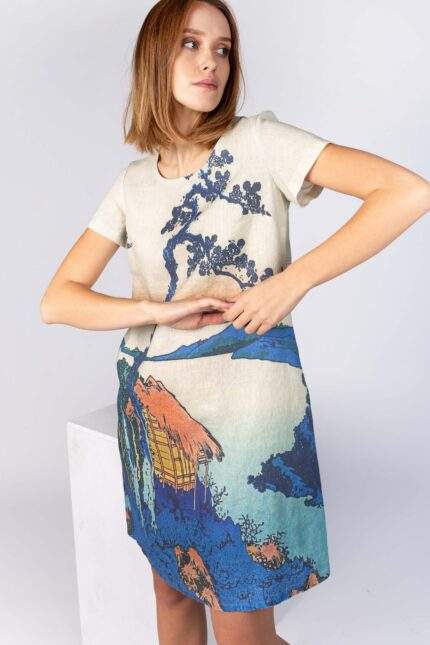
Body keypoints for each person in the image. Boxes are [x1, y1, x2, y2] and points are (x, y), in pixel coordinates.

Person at [40, 1, 430, 644]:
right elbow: (58, 301)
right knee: (171, 592)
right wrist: (156, 309)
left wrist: (293, 281)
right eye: (191, 44)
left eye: (223, 49)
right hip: (153, 410)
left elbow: (406, 191)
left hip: (245, 419)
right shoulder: (132, 183)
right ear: (154, 57)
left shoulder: (259, 143)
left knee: (241, 616)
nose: (211, 63)